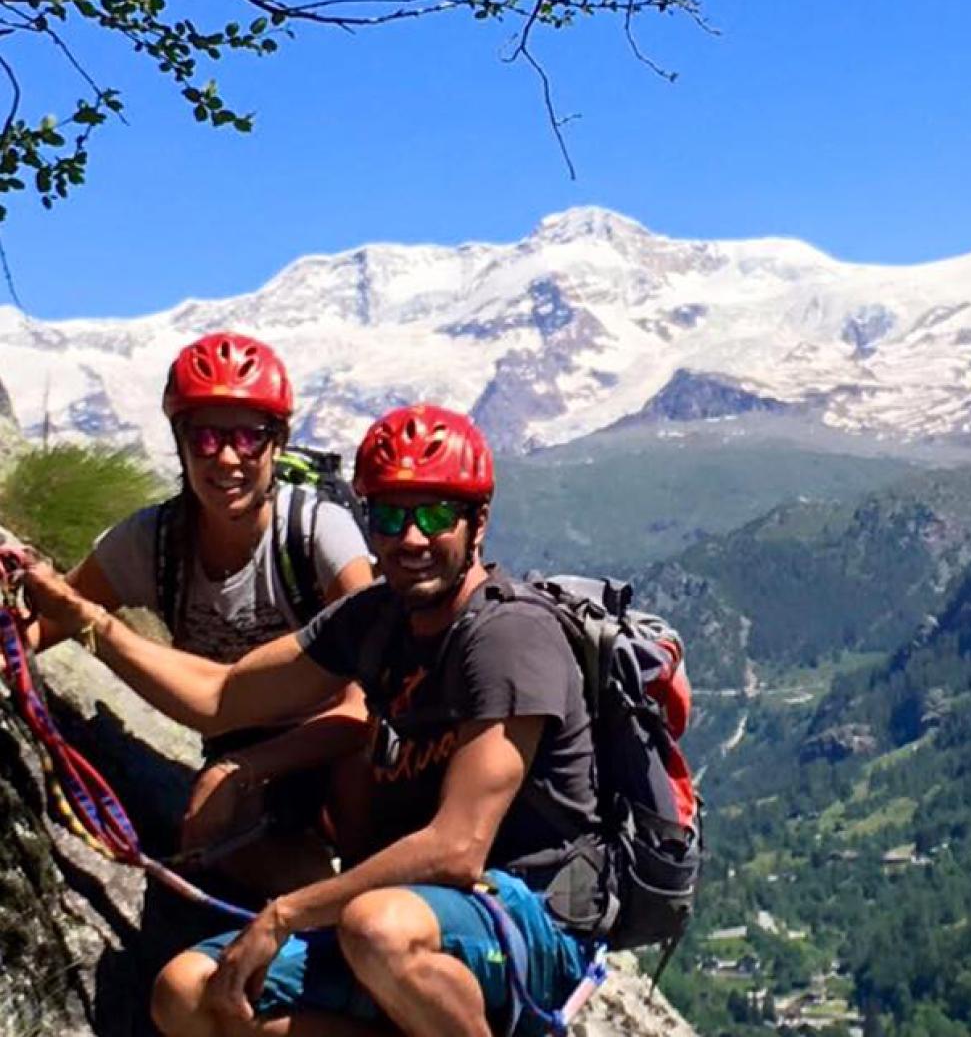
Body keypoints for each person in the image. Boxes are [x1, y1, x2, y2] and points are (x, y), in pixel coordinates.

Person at [23, 404, 601, 1036]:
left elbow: (457, 850)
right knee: (188, 995)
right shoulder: (375, 618)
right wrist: (88, 622)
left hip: (530, 913)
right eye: (389, 515)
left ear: (477, 521)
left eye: (434, 515)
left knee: (376, 928)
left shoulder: (508, 636)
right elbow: (222, 696)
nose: (410, 539)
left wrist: (284, 915)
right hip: (412, 917)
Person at [27, 330, 374, 895]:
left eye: (249, 436)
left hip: (335, 743)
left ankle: (355, 895)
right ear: (181, 441)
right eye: (206, 437)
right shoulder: (150, 542)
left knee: (356, 780)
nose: (228, 457)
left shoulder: (316, 533)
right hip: (240, 741)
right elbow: (50, 620)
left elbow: (368, 704)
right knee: (213, 852)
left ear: (277, 443)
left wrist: (244, 770)